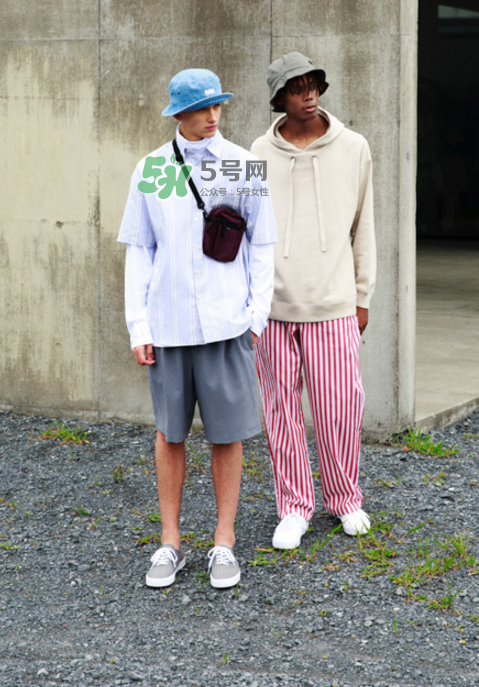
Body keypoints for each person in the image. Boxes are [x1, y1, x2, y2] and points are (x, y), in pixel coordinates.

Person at [118, 69, 277, 587]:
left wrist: (255, 317)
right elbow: (140, 250)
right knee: (170, 433)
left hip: (227, 323)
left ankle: (223, 542)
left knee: (227, 435)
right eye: (201, 107)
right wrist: (138, 325)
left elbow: (262, 244)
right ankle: (170, 543)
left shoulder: (244, 166)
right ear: (178, 113)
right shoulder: (151, 169)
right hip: (167, 325)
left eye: (217, 106)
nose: (212, 116)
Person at [251, 52, 376, 549]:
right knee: (280, 410)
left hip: (334, 303)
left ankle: (345, 499)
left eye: (313, 85)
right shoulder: (257, 152)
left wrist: (362, 296)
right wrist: (250, 302)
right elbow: (249, 232)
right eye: (296, 87)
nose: (308, 95)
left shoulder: (354, 148)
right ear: (279, 97)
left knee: (340, 407)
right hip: (272, 307)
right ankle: (294, 506)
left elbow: (364, 227)